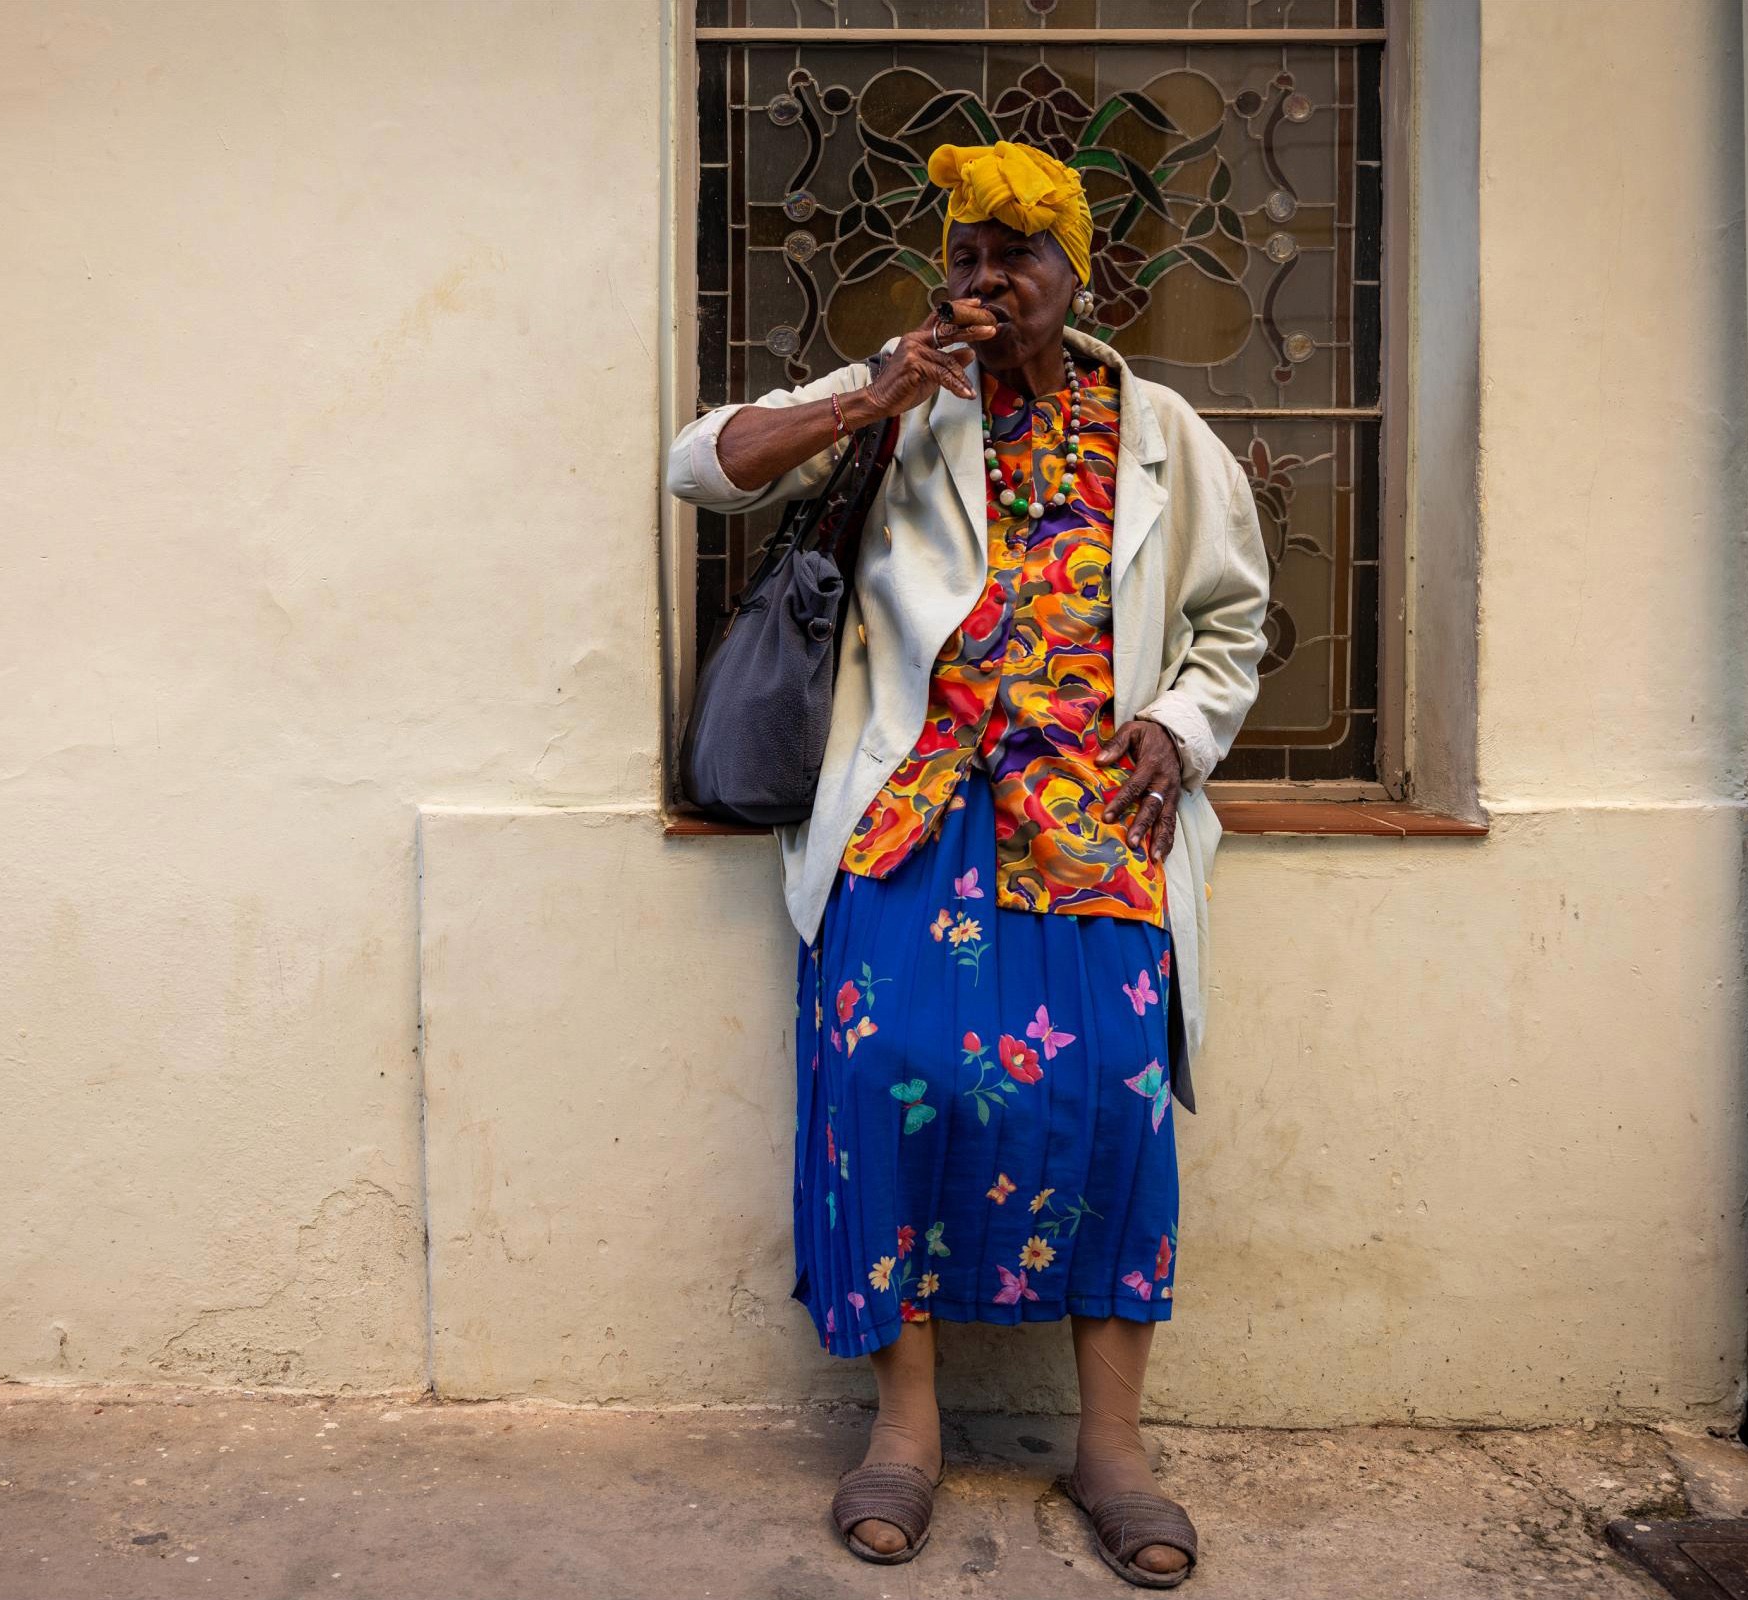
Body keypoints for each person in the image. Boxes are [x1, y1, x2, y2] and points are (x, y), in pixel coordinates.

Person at [667, 141, 1269, 1587]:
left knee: (1110, 1114)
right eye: (970, 253)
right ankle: (906, 1436)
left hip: (1089, 821)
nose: (989, 277)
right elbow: (703, 467)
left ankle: (1111, 1451)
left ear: (1080, 275)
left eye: (1019, 253)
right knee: (886, 1090)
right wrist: (875, 393)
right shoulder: (903, 392)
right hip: (914, 811)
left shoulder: (1160, 432)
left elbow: (1232, 625)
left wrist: (1180, 732)